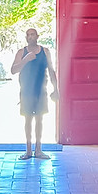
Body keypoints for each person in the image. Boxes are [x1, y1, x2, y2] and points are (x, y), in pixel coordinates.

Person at [11, 28, 58, 160]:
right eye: (28, 35)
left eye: (32, 34)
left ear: (37, 36)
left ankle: (38, 149)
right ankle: (28, 150)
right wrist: (25, 59)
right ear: (26, 38)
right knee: (27, 120)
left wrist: (56, 88)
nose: (30, 37)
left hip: (41, 91)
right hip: (26, 91)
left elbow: (51, 70)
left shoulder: (45, 51)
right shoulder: (22, 52)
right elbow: (13, 70)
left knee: (39, 119)